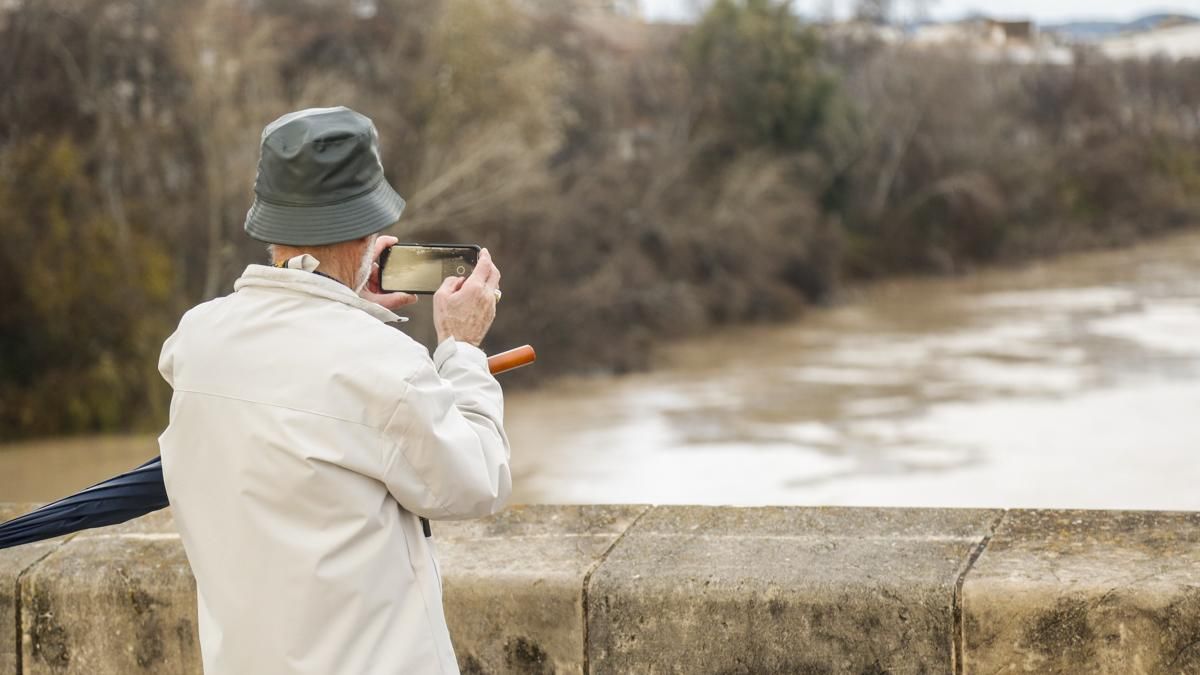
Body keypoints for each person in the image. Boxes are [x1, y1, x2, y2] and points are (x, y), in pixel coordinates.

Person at [157, 106, 510, 674]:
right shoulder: (380, 362)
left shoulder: (196, 340)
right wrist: (462, 348)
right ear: (369, 231)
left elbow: (292, 365)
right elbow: (477, 481)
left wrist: (347, 300)